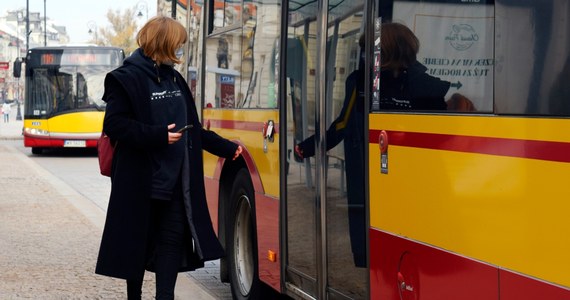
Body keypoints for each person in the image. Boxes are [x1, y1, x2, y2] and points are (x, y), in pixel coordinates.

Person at [95, 16, 242, 300]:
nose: (181, 49)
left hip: (176, 182)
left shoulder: (175, 78)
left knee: (172, 242)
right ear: (164, 42)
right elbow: (115, 125)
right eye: (178, 43)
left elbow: (192, 129)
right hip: (140, 180)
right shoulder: (124, 79)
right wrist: (157, 135)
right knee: (136, 246)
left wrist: (225, 148)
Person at [295, 34, 367, 268]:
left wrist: (309, 146)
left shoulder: (361, 80)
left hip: (363, 164)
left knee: (360, 210)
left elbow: (343, 124)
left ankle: (363, 258)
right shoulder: (426, 81)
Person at [379, 22, 450, 110]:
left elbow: (437, 122)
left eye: (374, 51)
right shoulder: (364, 82)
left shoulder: (427, 88)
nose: (365, 56)